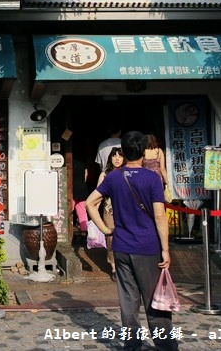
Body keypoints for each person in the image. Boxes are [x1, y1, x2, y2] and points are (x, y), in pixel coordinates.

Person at [86, 131, 177, 351]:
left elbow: (90, 203)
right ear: (144, 153)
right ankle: (165, 345)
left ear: (124, 152)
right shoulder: (152, 178)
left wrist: (106, 229)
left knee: (128, 300)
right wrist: (165, 249)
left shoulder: (114, 177)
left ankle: (132, 343)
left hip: (121, 246)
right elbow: (159, 215)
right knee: (154, 298)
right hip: (148, 247)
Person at [96, 147, 125, 281]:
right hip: (109, 211)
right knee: (111, 238)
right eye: (114, 156)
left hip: (125, 210)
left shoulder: (127, 173)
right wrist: (94, 212)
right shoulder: (104, 174)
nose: (117, 158)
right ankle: (114, 267)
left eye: (120, 156)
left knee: (125, 236)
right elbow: (97, 196)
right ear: (110, 158)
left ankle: (124, 266)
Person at [143, 134, 170, 201]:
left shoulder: (143, 152)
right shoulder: (159, 151)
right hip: (157, 178)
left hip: (145, 178)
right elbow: (162, 168)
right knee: (157, 199)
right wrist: (167, 182)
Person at [71, 158, 89, 240]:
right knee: (82, 212)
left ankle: (69, 230)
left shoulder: (69, 164)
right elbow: (85, 176)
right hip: (82, 189)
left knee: (69, 211)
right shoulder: (83, 163)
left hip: (72, 189)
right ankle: (84, 231)